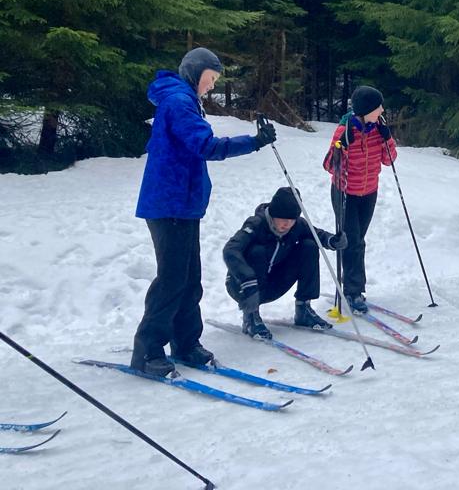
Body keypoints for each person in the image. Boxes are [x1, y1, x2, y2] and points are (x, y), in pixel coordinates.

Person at [132, 47, 276, 377]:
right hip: (169, 203)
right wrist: (254, 142)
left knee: (188, 278)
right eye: (210, 78)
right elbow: (206, 146)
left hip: (183, 205)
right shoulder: (179, 102)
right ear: (195, 73)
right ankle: (147, 351)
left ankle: (185, 343)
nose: (211, 86)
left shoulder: (185, 100)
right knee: (172, 280)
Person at [223, 187, 341, 339]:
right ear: (273, 214)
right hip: (243, 287)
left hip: (273, 283)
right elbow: (230, 250)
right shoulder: (256, 224)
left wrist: (333, 241)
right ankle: (251, 317)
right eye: (283, 219)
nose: (287, 224)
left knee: (309, 246)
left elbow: (317, 235)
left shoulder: (297, 225)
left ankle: (303, 309)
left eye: (291, 220)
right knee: (257, 251)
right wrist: (246, 279)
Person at [322, 85, 397, 314]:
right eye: (378, 107)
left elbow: (389, 160)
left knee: (359, 240)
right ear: (366, 110)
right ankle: (352, 291)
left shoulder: (378, 129)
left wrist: (388, 138)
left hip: (369, 192)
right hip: (345, 192)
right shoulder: (344, 130)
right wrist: (341, 146)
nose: (381, 110)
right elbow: (329, 166)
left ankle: (355, 287)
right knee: (351, 241)